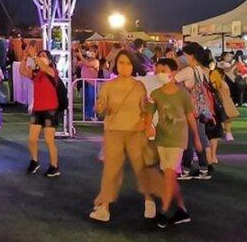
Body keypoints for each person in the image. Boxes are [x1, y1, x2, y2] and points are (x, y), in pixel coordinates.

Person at [89, 50, 163, 223]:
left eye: (128, 63)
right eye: (121, 62)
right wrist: (100, 107)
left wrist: (148, 125)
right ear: (116, 64)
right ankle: (105, 206)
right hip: (113, 132)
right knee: (111, 170)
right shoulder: (109, 86)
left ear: (133, 65)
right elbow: (101, 108)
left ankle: (149, 200)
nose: (124, 67)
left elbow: (145, 109)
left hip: (135, 132)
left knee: (141, 167)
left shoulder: (139, 86)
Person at [150, 58, 202, 227]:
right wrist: (147, 128)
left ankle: (164, 210)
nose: (160, 74)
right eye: (157, 71)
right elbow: (148, 115)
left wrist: (196, 138)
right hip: (162, 138)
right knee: (169, 176)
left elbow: (190, 117)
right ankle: (181, 209)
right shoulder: (156, 94)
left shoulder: (183, 94)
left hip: (178, 139)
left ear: (173, 72)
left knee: (170, 173)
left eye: (163, 70)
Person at [174, 43, 216, 180]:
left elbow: (171, 82)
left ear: (191, 56)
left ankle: (187, 169)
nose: (183, 57)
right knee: (198, 139)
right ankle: (203, 169)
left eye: (185, 55)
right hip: (199, 110)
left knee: (188, 141)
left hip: (189, 110)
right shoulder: (198, 70)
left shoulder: (188, 71)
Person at [23, 50, 62, 176]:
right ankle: (34, 161)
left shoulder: (52, 72)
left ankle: (54, 166)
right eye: (40, 56)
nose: (41, 58)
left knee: (49, 140)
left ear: (50, 60)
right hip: (37, 109)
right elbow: (22, 71)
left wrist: (35, 56)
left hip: (50, 109)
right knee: (32, 139)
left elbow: (45, 67)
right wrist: (24, 58)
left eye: (43, 56)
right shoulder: (37, 74)